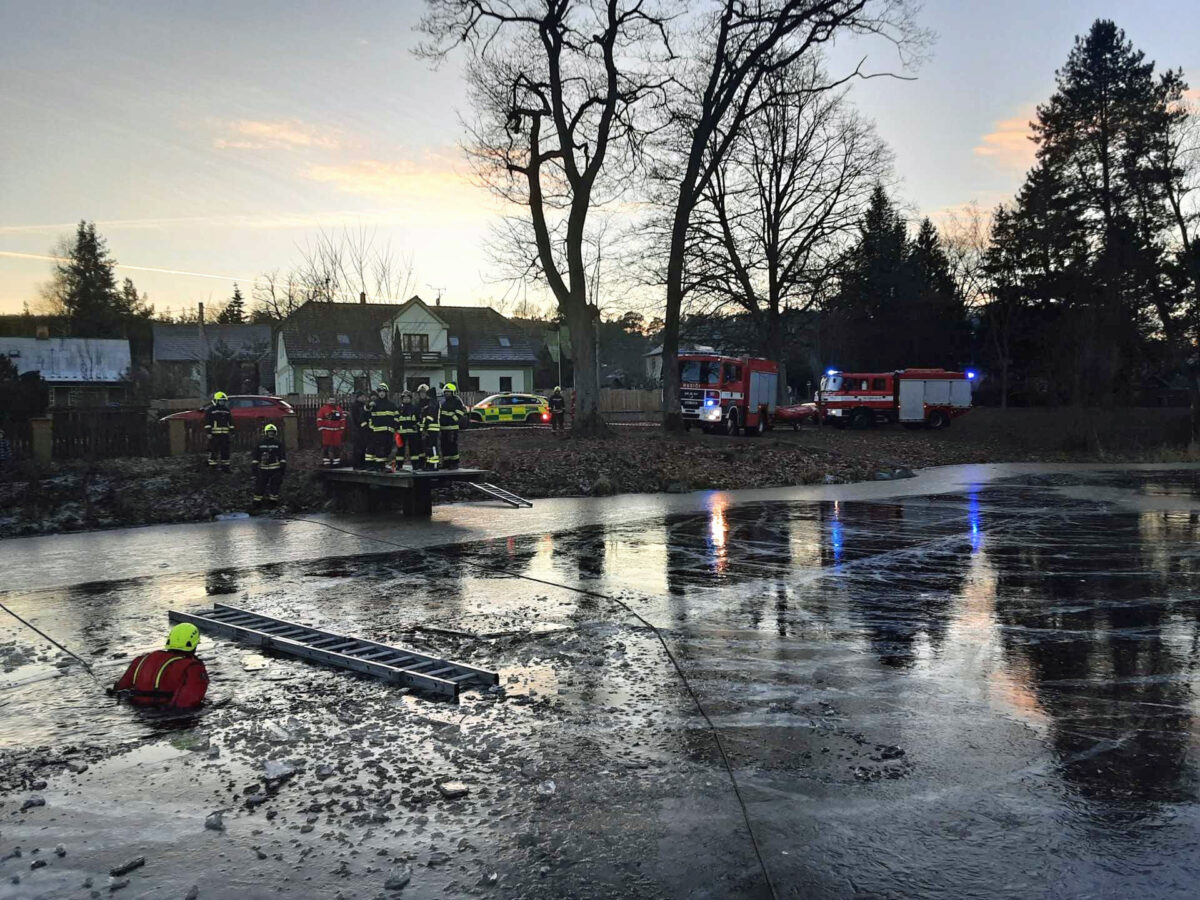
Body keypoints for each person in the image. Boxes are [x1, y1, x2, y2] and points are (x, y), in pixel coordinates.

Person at [111, 623, 209, 709]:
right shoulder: (193, 667)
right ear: (194, 645)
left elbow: (119, 689)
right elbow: (187, 704)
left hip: (138, 713)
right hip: (167, 720)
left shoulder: (142, 659)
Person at [363, 383, 398, 471]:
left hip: (389, 431)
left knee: (387, 448)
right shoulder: (374, 404)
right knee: (380, 449)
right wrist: (368, 405)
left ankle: (380, 465)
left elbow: (397, 416)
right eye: (380, 392)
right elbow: (366, 410)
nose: (382, 394)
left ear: (386, 393)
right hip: (378, 431)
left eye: (383, 392)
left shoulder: (391, 405)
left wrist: (395, 426)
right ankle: (380, 466)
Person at [252, 422, 287, 505]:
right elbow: (256, 456)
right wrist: (254, 467)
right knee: (261, 486)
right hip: (266, 469)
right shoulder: (263, 443)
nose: (271, 433)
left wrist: (282, 469)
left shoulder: (276, 443)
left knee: (273, 486)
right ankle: (258, 503)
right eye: (269, 432)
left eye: (272, 432)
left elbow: (282, 456)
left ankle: (271, 503)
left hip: (273, 469)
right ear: (266, 433)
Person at [439, 383, 467, 469]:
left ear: (453, 392)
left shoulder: (456, 401)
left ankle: (454, 463)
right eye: (446, 392)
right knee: (444, 446)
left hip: (452, 428)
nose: (447, 393)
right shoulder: (443, 402)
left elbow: (460, 412)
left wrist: (452, 420)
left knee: (452, 446)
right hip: (443, 428)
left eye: (449, 392)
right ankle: (446, 462)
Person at [204, 392, 233, 472]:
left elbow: (230, 422)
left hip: (225, 435)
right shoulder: (211, 410)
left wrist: (232, 431)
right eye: (220, 400)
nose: (222, 402)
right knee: (214, 451)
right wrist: (209, 433)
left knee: (225, 451)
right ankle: (213, 467)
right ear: (216, 400)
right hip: (214, 435)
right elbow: (208, 423)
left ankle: (225, 467)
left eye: (223, 401)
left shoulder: (226, 410)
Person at [316, 395, 347, 467]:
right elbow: (319, 419)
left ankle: (336, 461)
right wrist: (321, 428)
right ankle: (326, 461)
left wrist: (342, 429)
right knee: (326, 446)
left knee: (336, 446)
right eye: (330, 400)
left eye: (333, 401)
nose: (332, 402)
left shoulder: (339, 409)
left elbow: (342, 420)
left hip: (336, 431)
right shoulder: (323, 409)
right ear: (327, 401)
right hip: (327, 431)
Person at [395, 388, 421, 470]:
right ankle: (399, 465)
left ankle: (415, 465)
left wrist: (417, 425)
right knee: (400, 449)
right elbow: (395, 419)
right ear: (402, 399)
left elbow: (419, 419)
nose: (406, 399)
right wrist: (396, 428)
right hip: (400, 433)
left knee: (414, 449)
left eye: (408, 398)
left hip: (412, 433)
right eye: (404, 398)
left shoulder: (415, 408)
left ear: (410, 399)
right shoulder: (398, 409)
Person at [417, 384, 441, 470]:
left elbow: (431, 415)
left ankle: (434, 465)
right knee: (427, 447)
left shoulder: (432, 401)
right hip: (425, 429)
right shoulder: (422, 403)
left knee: (433, 446)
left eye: (424, 392)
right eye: (420, 393)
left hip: (432, 427)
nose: (422, 394)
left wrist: (425, 426)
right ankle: (429, 464)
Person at [349, 391, 369, 468]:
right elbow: (356, 418)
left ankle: (362, 463)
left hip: (363, 430)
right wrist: (360, 425)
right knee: (358, 448)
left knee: (363, 447)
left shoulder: (363, 406)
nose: (363, 398)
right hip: (357, 430)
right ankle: (357, 464)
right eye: (362, 397)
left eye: (364, 397)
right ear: (358, 397)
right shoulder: (355, 406)